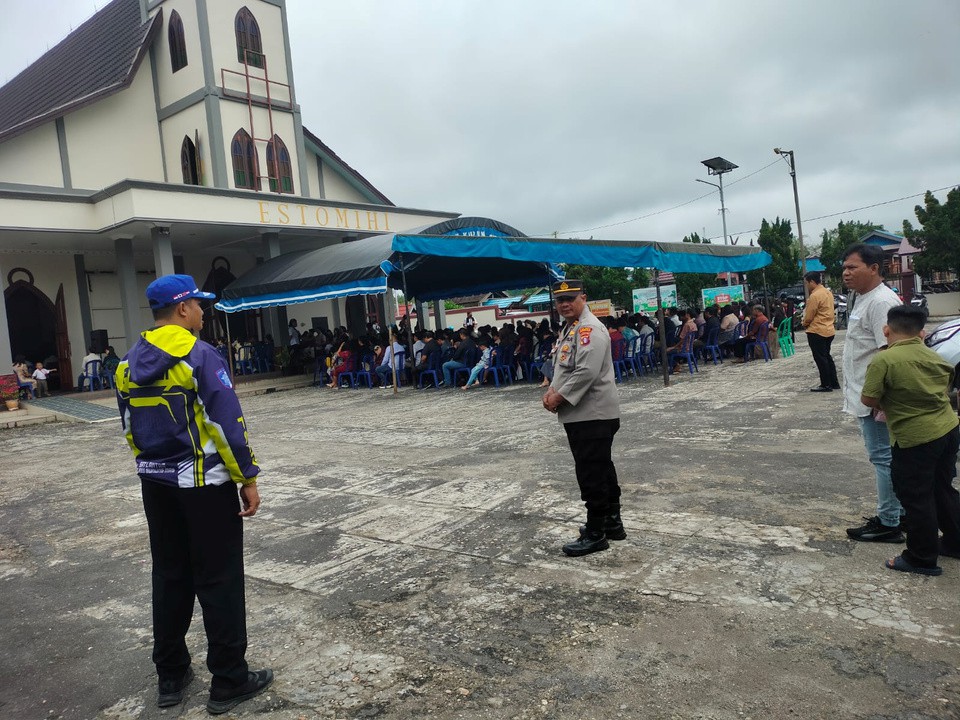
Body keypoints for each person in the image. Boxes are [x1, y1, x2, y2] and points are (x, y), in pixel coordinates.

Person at [114, 274, 272, 714]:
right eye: (200, 304)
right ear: (183, 309)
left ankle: (171, 675)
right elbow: (226, 425)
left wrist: (151, 467)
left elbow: (129, 429)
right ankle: (228, 680)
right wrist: (247, 477)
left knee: (169, 576)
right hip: (204, 487)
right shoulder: (200, 356)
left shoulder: (127, 364)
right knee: (218, 578)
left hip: (156, 484)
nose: (205, 311)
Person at [860, 305, 960, 575]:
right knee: (942, 488)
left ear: (886, 330)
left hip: (916, 437)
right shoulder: (936, 356)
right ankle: (954, 541)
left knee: (916, 497)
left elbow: (868, 399)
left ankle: (920, 558)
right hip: (949, 429)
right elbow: (946, 388)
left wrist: (894, 402)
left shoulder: (884, 360)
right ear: (922, 332)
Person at [541, 280, 622, 557]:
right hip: (584, 414)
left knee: (591, 473)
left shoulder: (589, 329)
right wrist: (551, 390)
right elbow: (564, 368)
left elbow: (585, 372)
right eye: (559, 300)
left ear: (583, 298)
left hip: (592, 414)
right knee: (602, 468)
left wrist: (558, 397)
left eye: (570, 298)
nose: (564, 304)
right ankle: (612, 522)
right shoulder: (572, 328)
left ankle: (596, 532)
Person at [841, 243, 905, 543]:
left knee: (882, 458)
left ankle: (889, 521)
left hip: (873, 399)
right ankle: (897, 512)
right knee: (884, 458)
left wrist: (880, 402)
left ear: (874, 268)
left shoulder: (881, 302)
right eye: (844, 268)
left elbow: (889, 353)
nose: (846, 273)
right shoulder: (863, 298)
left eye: (853, 267)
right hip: (862, 394)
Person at [802, 272, 840, 392]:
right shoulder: (828, 293)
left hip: (817, 330)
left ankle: (825, 384)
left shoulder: (815, 296)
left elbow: (809, 315)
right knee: (827, 356)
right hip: (829, 329)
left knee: (820, 358)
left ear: (812, 282)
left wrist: (804, 323)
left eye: (807, 283)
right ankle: (834, 382)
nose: (807, 286)